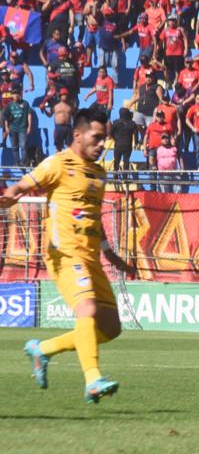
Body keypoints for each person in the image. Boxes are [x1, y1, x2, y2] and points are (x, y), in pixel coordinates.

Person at [8, 106, 134, 403]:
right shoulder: (58, 164)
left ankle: (43, 350)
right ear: (77, 135)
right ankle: (93, 380)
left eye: (106, 139)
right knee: (87, 311)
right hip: (63, 254)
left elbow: (95, 219)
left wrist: (111, 256)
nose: (103, 144)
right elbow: (22, 185)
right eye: (98, 137)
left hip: (91, 258)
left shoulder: (99, 174)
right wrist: (9, 195)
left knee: (110, 328)